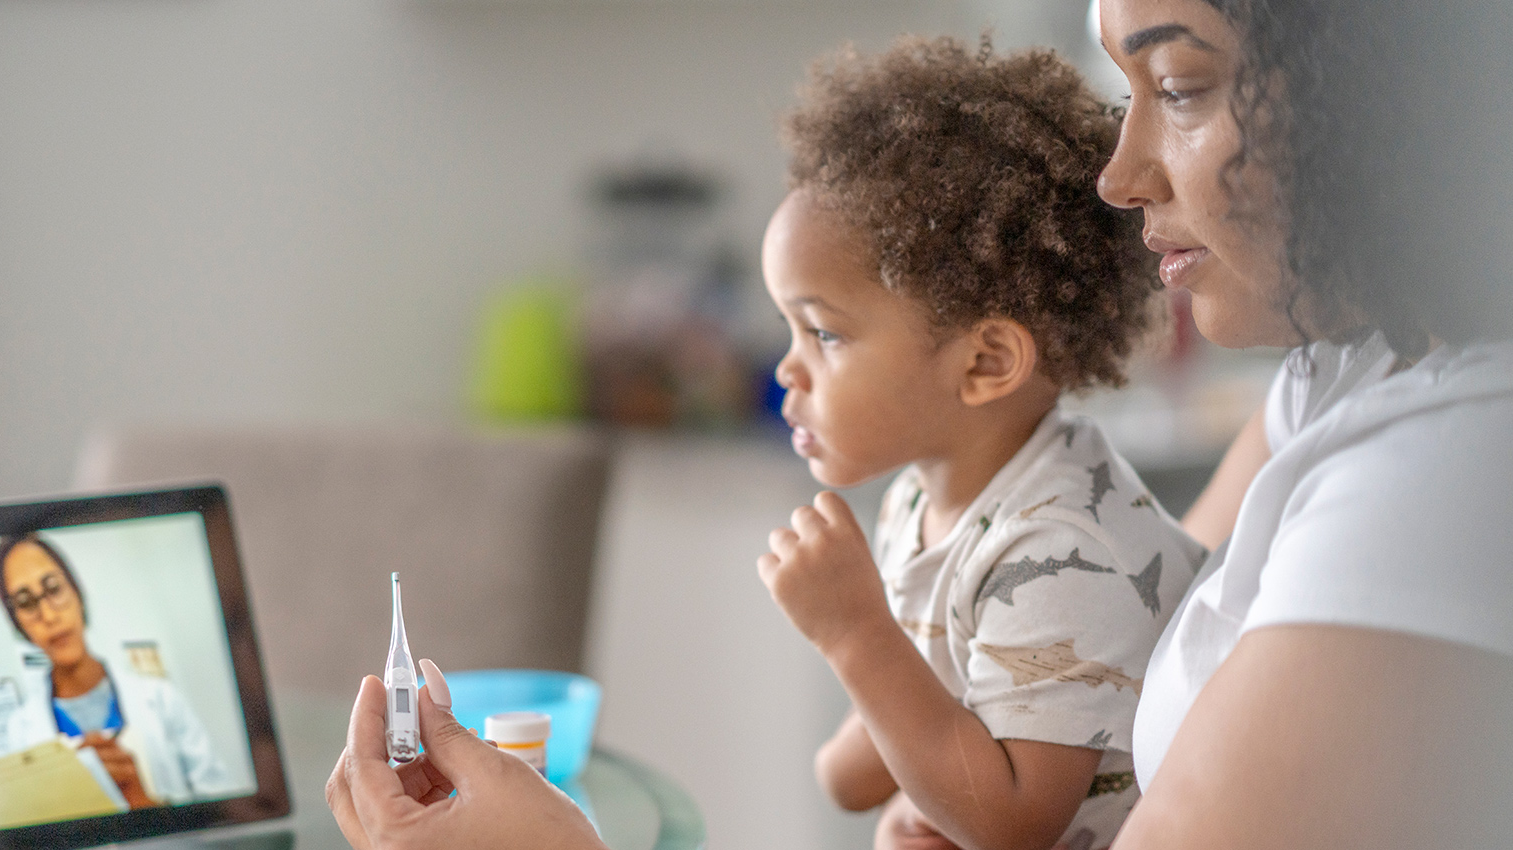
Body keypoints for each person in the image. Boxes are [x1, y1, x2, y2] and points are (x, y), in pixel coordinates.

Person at [327, 0, 1513, 846]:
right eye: (1124, 91)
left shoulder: (1431, 477)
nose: (1120, 171)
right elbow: (900, 749)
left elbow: (1004, 788)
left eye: (1183, 85)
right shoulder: (1338, 374)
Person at [753, 38, 1205, 850]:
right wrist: (857, 645)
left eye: (823, 332)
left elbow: (1010, 824)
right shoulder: (923, 500)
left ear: (984, 362)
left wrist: (853, 634)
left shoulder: (1065, 549)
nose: (787, 365)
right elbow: (852, 777)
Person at [0, 532, 238, 809]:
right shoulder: (21, 731)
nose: (49, 616)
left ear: (77, 593)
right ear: (17, 624)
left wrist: (145, 807)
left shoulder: (160, 698)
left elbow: (224, 815)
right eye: (26, 603)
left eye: (54, 589)